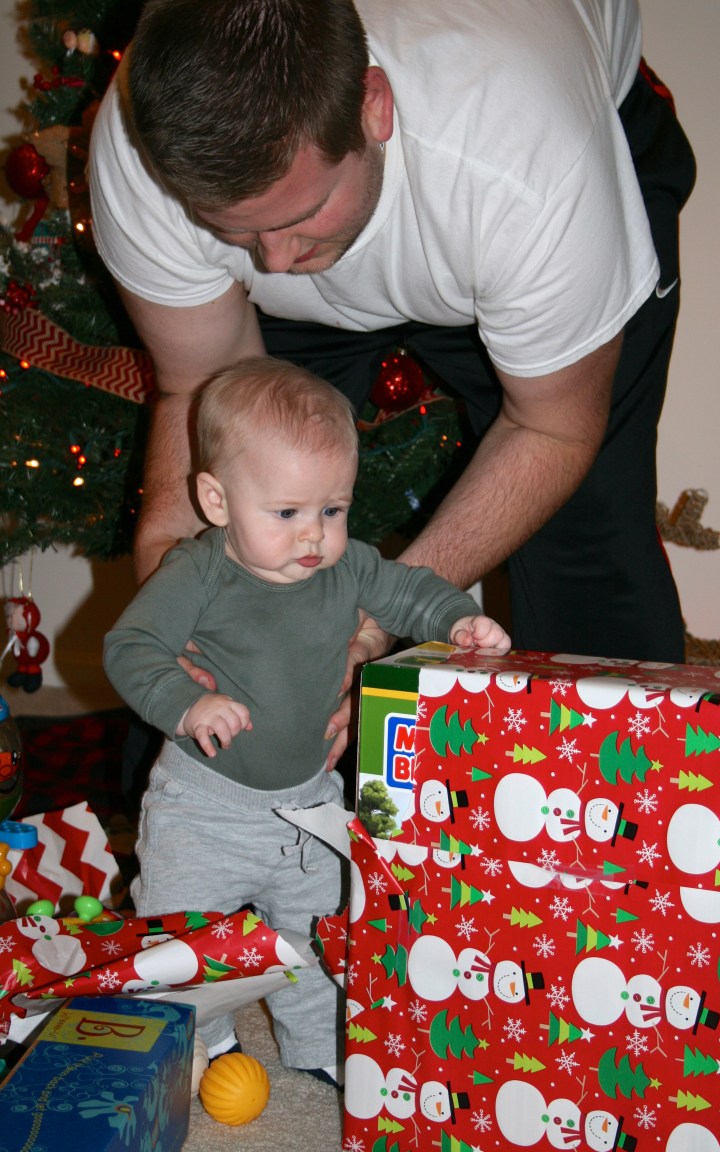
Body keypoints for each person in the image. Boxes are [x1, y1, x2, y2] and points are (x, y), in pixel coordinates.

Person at [89, 0, 696, 765]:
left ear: (374, 106)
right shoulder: (143, 154)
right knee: (256, 484)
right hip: (423, 190)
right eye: (232, 231)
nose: (274, 263)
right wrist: (173, 611)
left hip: (531, 177)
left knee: (589, 533)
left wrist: (372, 613)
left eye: (302, 213)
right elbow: (205, 392)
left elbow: (552, 427)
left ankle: (615, 812)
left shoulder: (527, 165)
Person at [103, 357, 510, 1082]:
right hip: (203, 810)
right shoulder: (196, 572)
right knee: (181, 941)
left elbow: (413, 591)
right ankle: (203, 1041)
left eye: (333, 510)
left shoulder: (346, 567)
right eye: (287, 513)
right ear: (217, 500)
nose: (313, 537)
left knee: (323, 941)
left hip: (307, 809)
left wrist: (458, 620)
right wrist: (186, 702)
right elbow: (130, 647)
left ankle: (320, 1049)